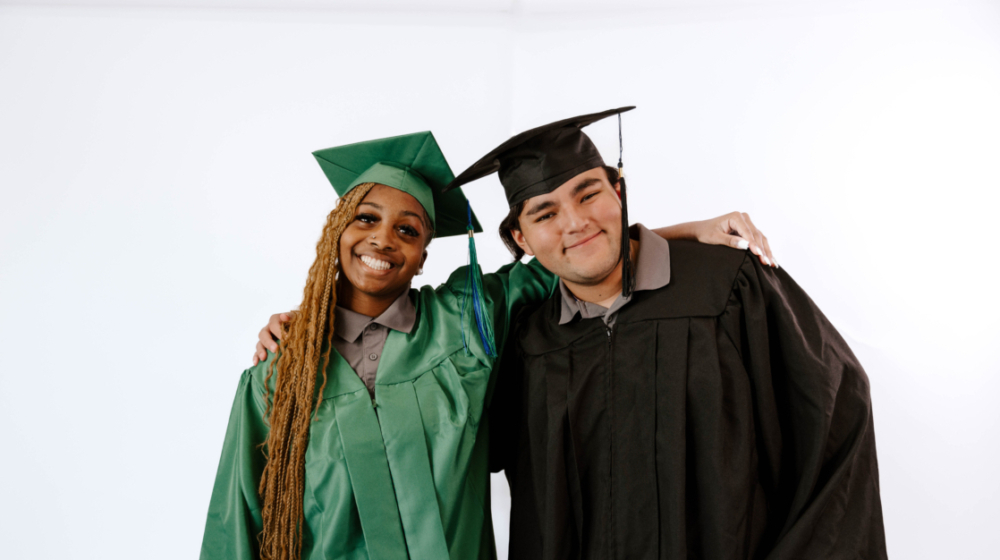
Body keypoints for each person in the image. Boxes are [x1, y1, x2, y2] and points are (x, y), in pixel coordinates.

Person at [206, 130, 773, 560]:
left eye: (408, 230)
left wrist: (691, 230)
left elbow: (567, 258)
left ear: (424, 255)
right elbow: (237, 522)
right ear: (336, 233)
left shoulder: (466, 319)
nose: (382, 239)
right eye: (365, 220)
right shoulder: (277, 376)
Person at [443, 107, 887, 559]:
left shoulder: (730, 288)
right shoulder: (530, 346)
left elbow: (836, 420)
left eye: (588, 194)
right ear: (521, 239)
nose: (574, 222)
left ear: (619, 191)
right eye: (544, 215)